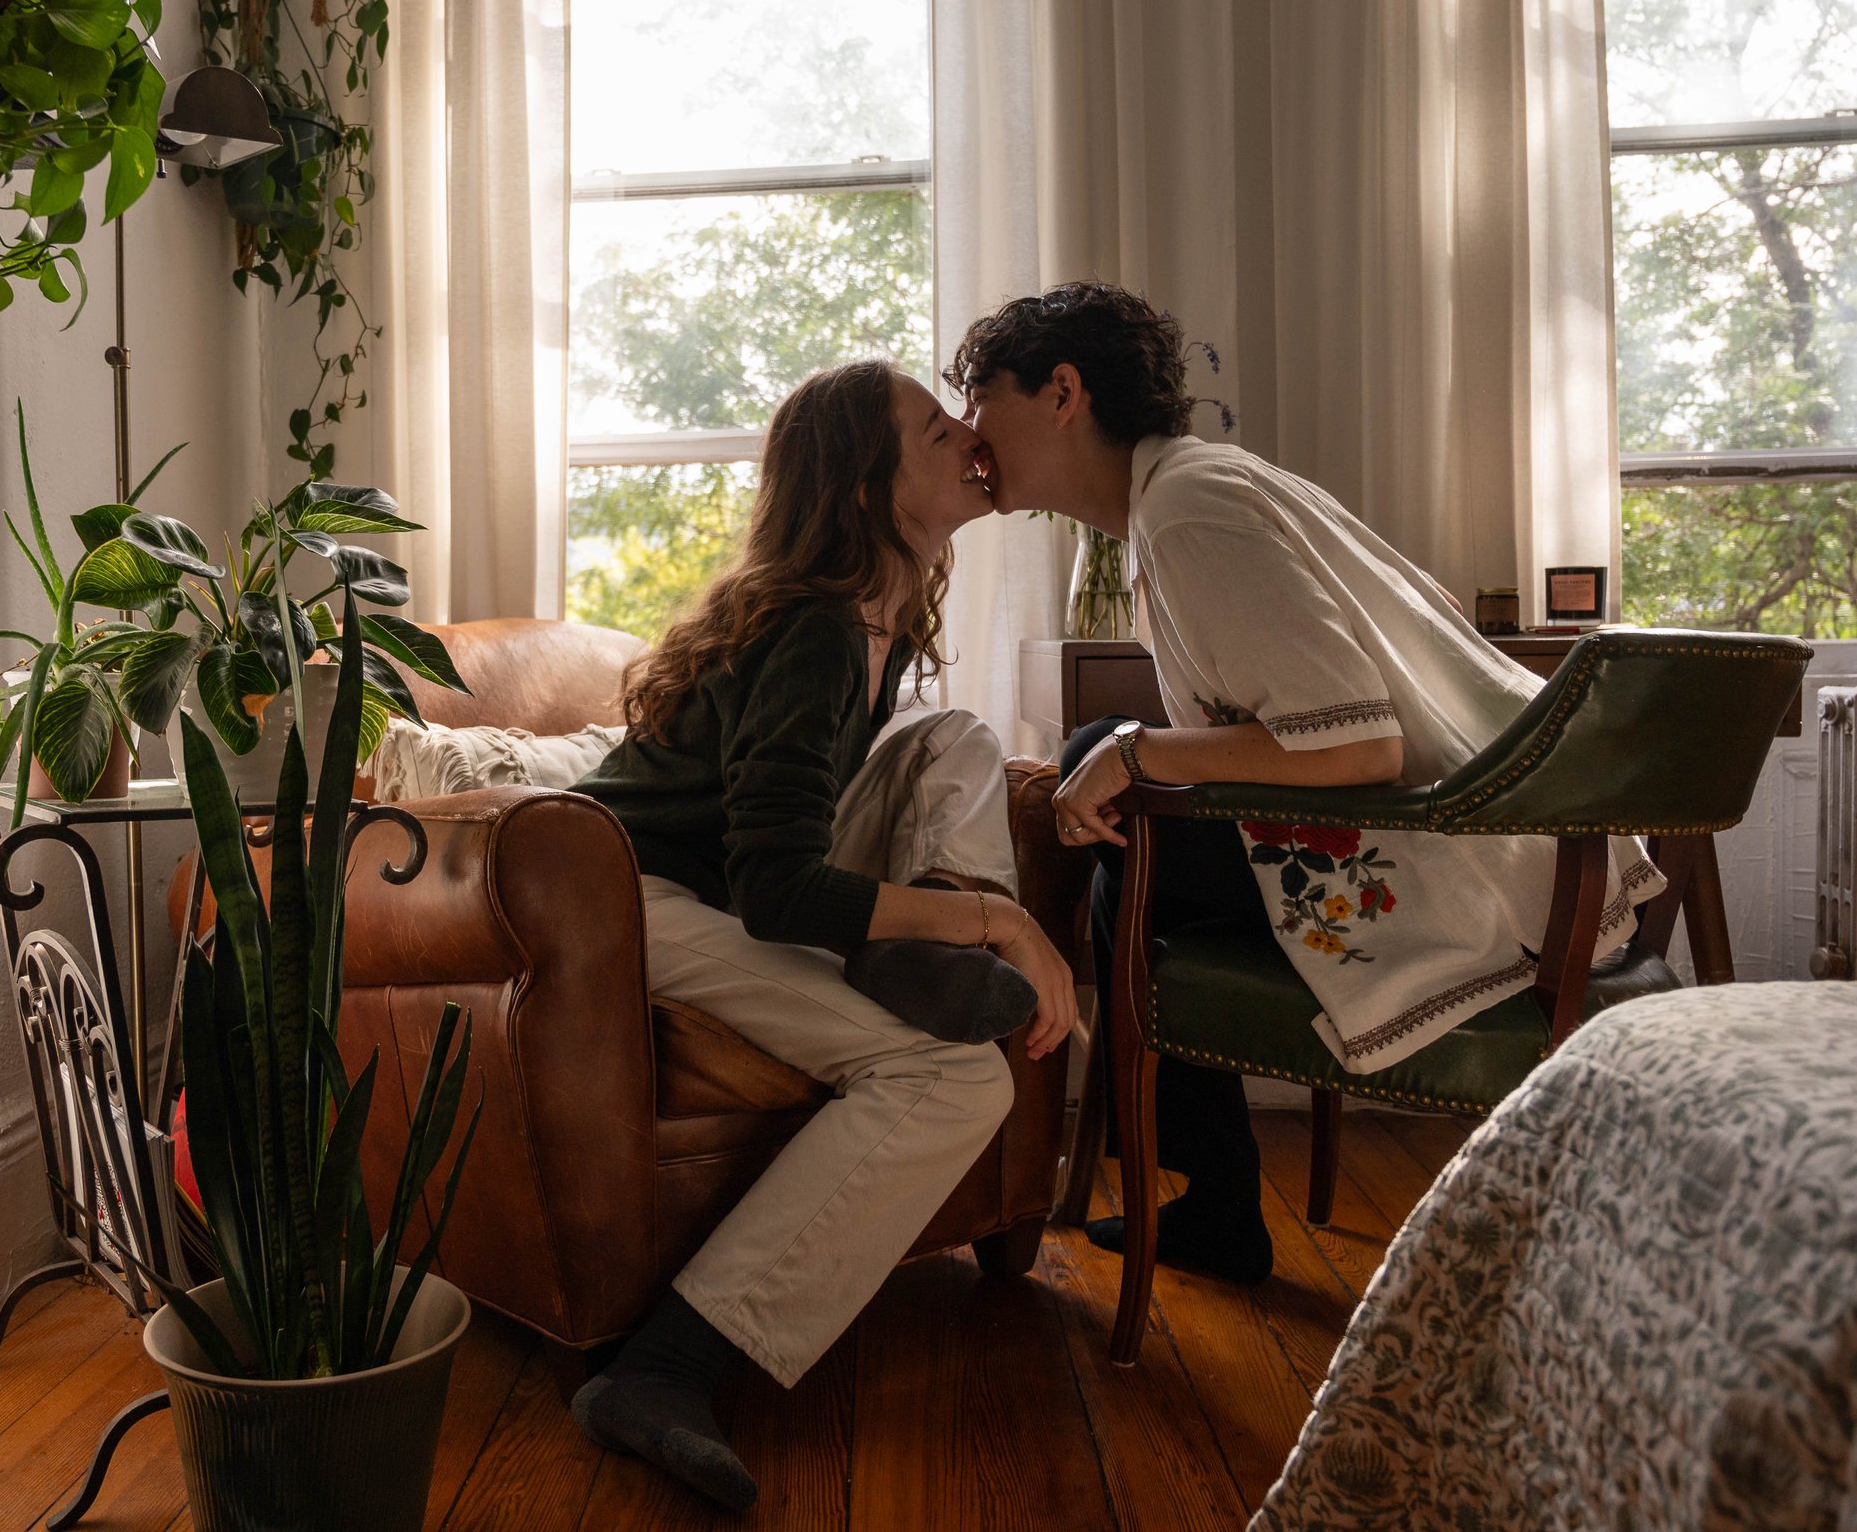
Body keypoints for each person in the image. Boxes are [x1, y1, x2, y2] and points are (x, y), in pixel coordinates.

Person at [950, 281, 1660, 1285]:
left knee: (1123, 832)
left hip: (1433, 850)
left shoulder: (1189, 510)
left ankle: (1186, 1190)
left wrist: (1133, 755)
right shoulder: (1197, 485)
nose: (970, 429)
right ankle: (1196, 1189)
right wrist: (1122, 751)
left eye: (982, 397)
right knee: (1106, 778)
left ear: (1061, 391)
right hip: (1480, 831)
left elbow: (1353, 750)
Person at [566, 358, 1079, 1508]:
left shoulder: (876, 632)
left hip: (717, 892)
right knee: (955, 1086)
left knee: (955, 734)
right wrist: (998, 918)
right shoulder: (807, 633)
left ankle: (915, 952)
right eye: (934, 429)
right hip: (620, 905)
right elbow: (777, 893)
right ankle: (659, 1371)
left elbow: (790, 856)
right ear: (864, 485)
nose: (963, 434)